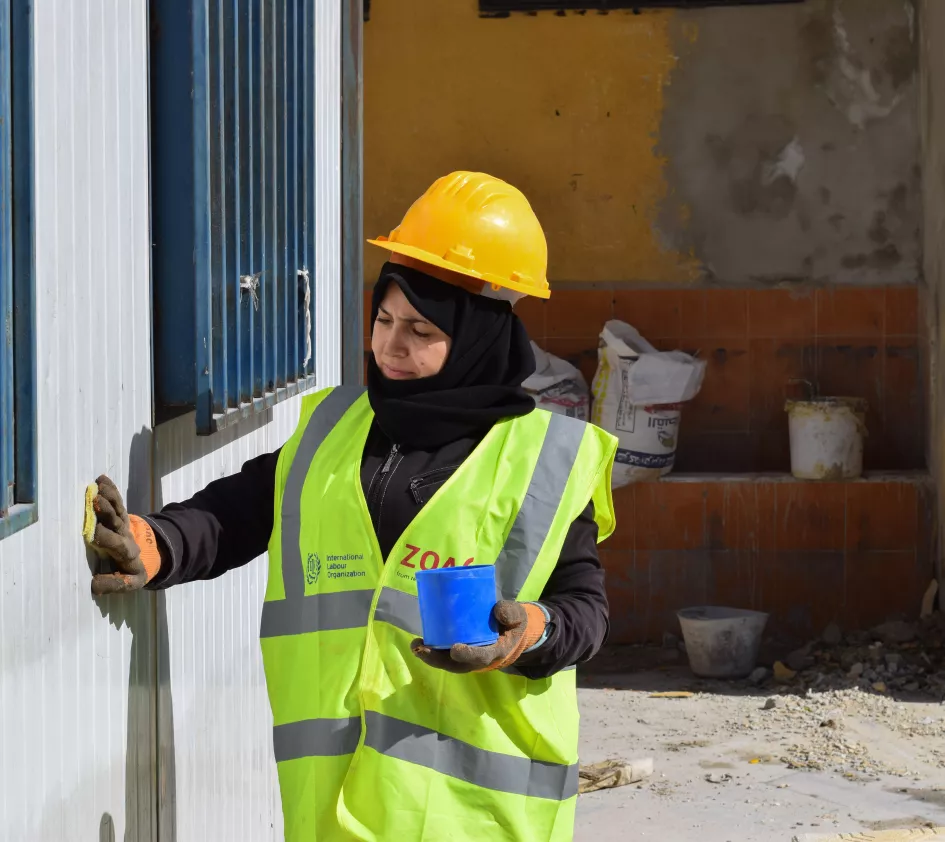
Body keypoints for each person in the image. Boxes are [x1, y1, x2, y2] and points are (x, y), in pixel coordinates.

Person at [86, 171, 618, 842]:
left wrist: (527, 632)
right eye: (384, 320)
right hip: (337, 799)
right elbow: (239, 513)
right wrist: (153, 545)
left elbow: (585, 612)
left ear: (478, 338)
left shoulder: (544, 458)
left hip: (470, 813)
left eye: (421, 330)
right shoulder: (337, 428)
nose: (390, 346)